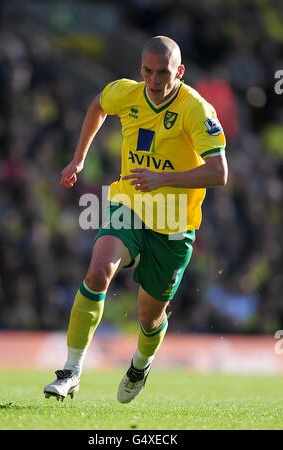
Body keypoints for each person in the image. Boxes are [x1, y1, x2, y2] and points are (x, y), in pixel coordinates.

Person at [44, 36, 228, 403]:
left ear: (179, 71)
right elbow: (97, 105)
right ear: (140, 68)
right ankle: (70, 370)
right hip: (130, 204)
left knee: (148, 317)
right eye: (147, 71)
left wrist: (164, 179)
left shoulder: (196, 109)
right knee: (98, 271)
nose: (155, 81)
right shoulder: (126, 93)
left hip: (174, 224)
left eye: (163, 73)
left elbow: (219, 172)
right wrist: (79, 158)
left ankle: (141, 364)